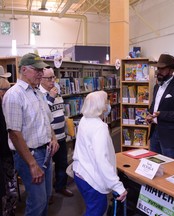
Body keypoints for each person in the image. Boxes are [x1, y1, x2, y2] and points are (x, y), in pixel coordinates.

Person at [2, 53, 59, 216]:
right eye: (37, 70)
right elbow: (14, 133)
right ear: (24, 70)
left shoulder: (37, 93)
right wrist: (32, 164)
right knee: (37, 201)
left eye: (42, 70)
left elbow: (46, 120)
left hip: (45, 152)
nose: (41, 74)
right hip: (31, 155)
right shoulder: (14, 95)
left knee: (46, 196)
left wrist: (53, 137)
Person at [72, 91, 127, 216]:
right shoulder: (99, 127)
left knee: (92, 208)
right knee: (97, 210)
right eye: (106, 101)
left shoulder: (84, 120)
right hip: (92, 179)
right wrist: (117, 186)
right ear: (99, 106)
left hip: (80, 173)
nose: (108, 104)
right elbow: (101, 159)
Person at [146, 54, 174, 159]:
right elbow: (154, 105)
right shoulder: (156, 86)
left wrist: (161, 114)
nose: (159, 71)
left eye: (162, 69)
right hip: (155, 132)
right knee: (153, 162)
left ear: (171, 70)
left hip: (170, 136)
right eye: (158, 68)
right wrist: (150, 114)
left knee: (169, 167)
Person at [39, 68, 73, 197]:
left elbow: (60, 110)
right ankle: (48, 194)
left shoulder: (56, 92)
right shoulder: (39, 94)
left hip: (61, 136)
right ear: (41, 79)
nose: (53, 80)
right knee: (46, 167)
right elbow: (42, 114)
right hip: (48, 138)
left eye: (54, 77)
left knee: (62, 163)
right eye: (49, 78)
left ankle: (60, 186)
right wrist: (51, 98)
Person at [0, 68, 17, 216]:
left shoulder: (6, 104)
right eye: (5, 89)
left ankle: (9, 208)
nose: (7, 92)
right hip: (4, 153)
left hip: (8, 153)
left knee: (9, 187)